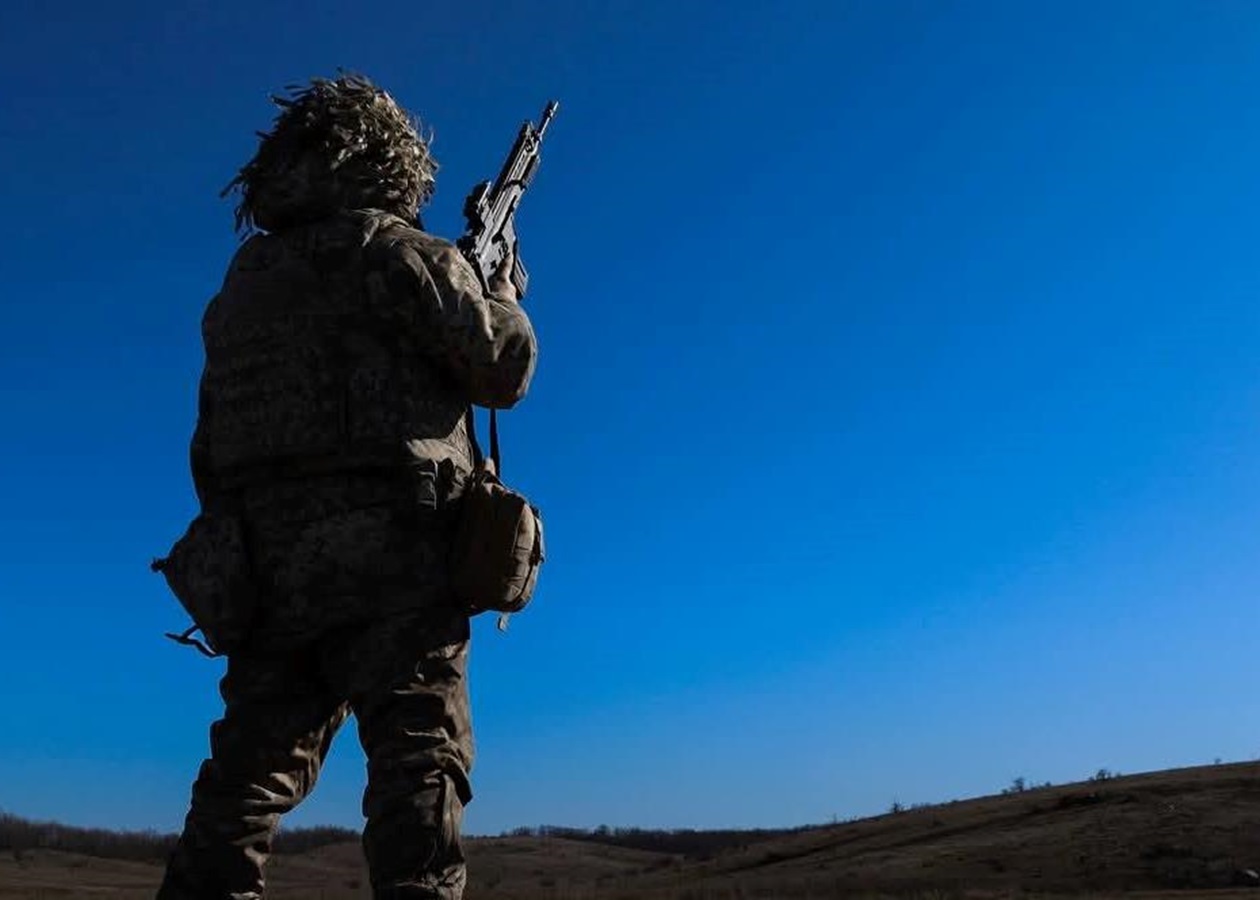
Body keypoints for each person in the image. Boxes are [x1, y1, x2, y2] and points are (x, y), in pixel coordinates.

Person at [156, 74, 537, 900]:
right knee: (418, 778)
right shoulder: (397, 251)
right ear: (388, 162)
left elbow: (210, 445)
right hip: (399, 565)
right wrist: (503, 291)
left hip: (269, 577)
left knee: (242, 791)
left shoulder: (242, 285)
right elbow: (502, 367)